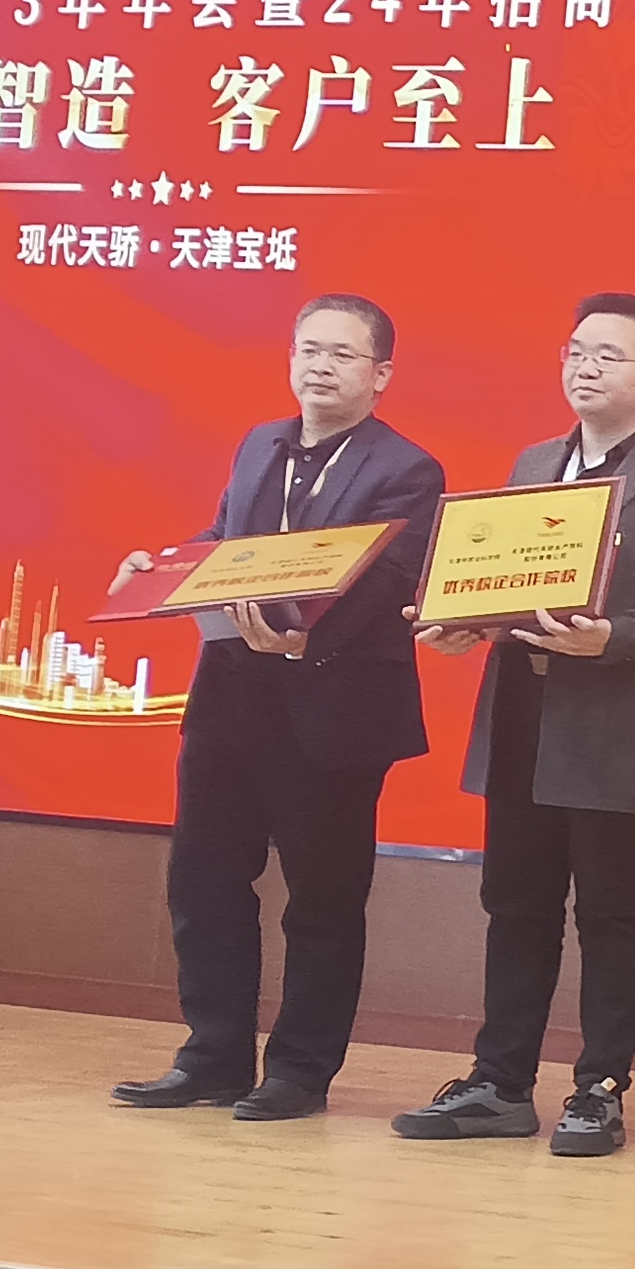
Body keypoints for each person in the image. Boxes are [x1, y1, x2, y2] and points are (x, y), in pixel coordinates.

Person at [392, 292, 635, 1158]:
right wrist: (465, 622)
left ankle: (599, 1087)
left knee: (612, 909)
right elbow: (507, 580)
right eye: (575, 351)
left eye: (607, 355)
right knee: (514, 903)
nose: (584, 367)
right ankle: (499, 1081)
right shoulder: (535, 462)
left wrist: (613, 636)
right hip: (523, 712)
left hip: (617, 722)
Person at [107, 294, 446, 1122]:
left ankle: (299, 1070)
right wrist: (164, 569)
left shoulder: (409, 468)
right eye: (308, 349)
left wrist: (303, 638)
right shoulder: (261, 442)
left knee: (322, 899)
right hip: (232, 698)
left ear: (381, 375)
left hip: (334, 709)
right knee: (204, 881)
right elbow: (228, 541)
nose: (320, 366)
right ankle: (212, 1055)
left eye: (342, 354)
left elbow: (389, 579)